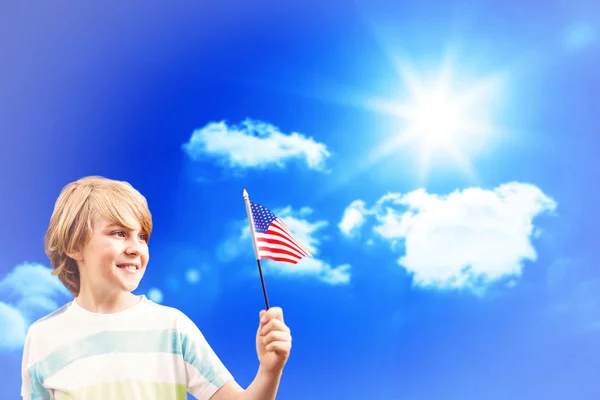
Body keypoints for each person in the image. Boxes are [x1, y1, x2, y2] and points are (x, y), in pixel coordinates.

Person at [21, 176, 292, 400]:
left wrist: (269, 370)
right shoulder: (43, 337)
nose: (135, 248)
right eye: (118, 233)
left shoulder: (173, 328)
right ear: (74, 246)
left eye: (142, 236)